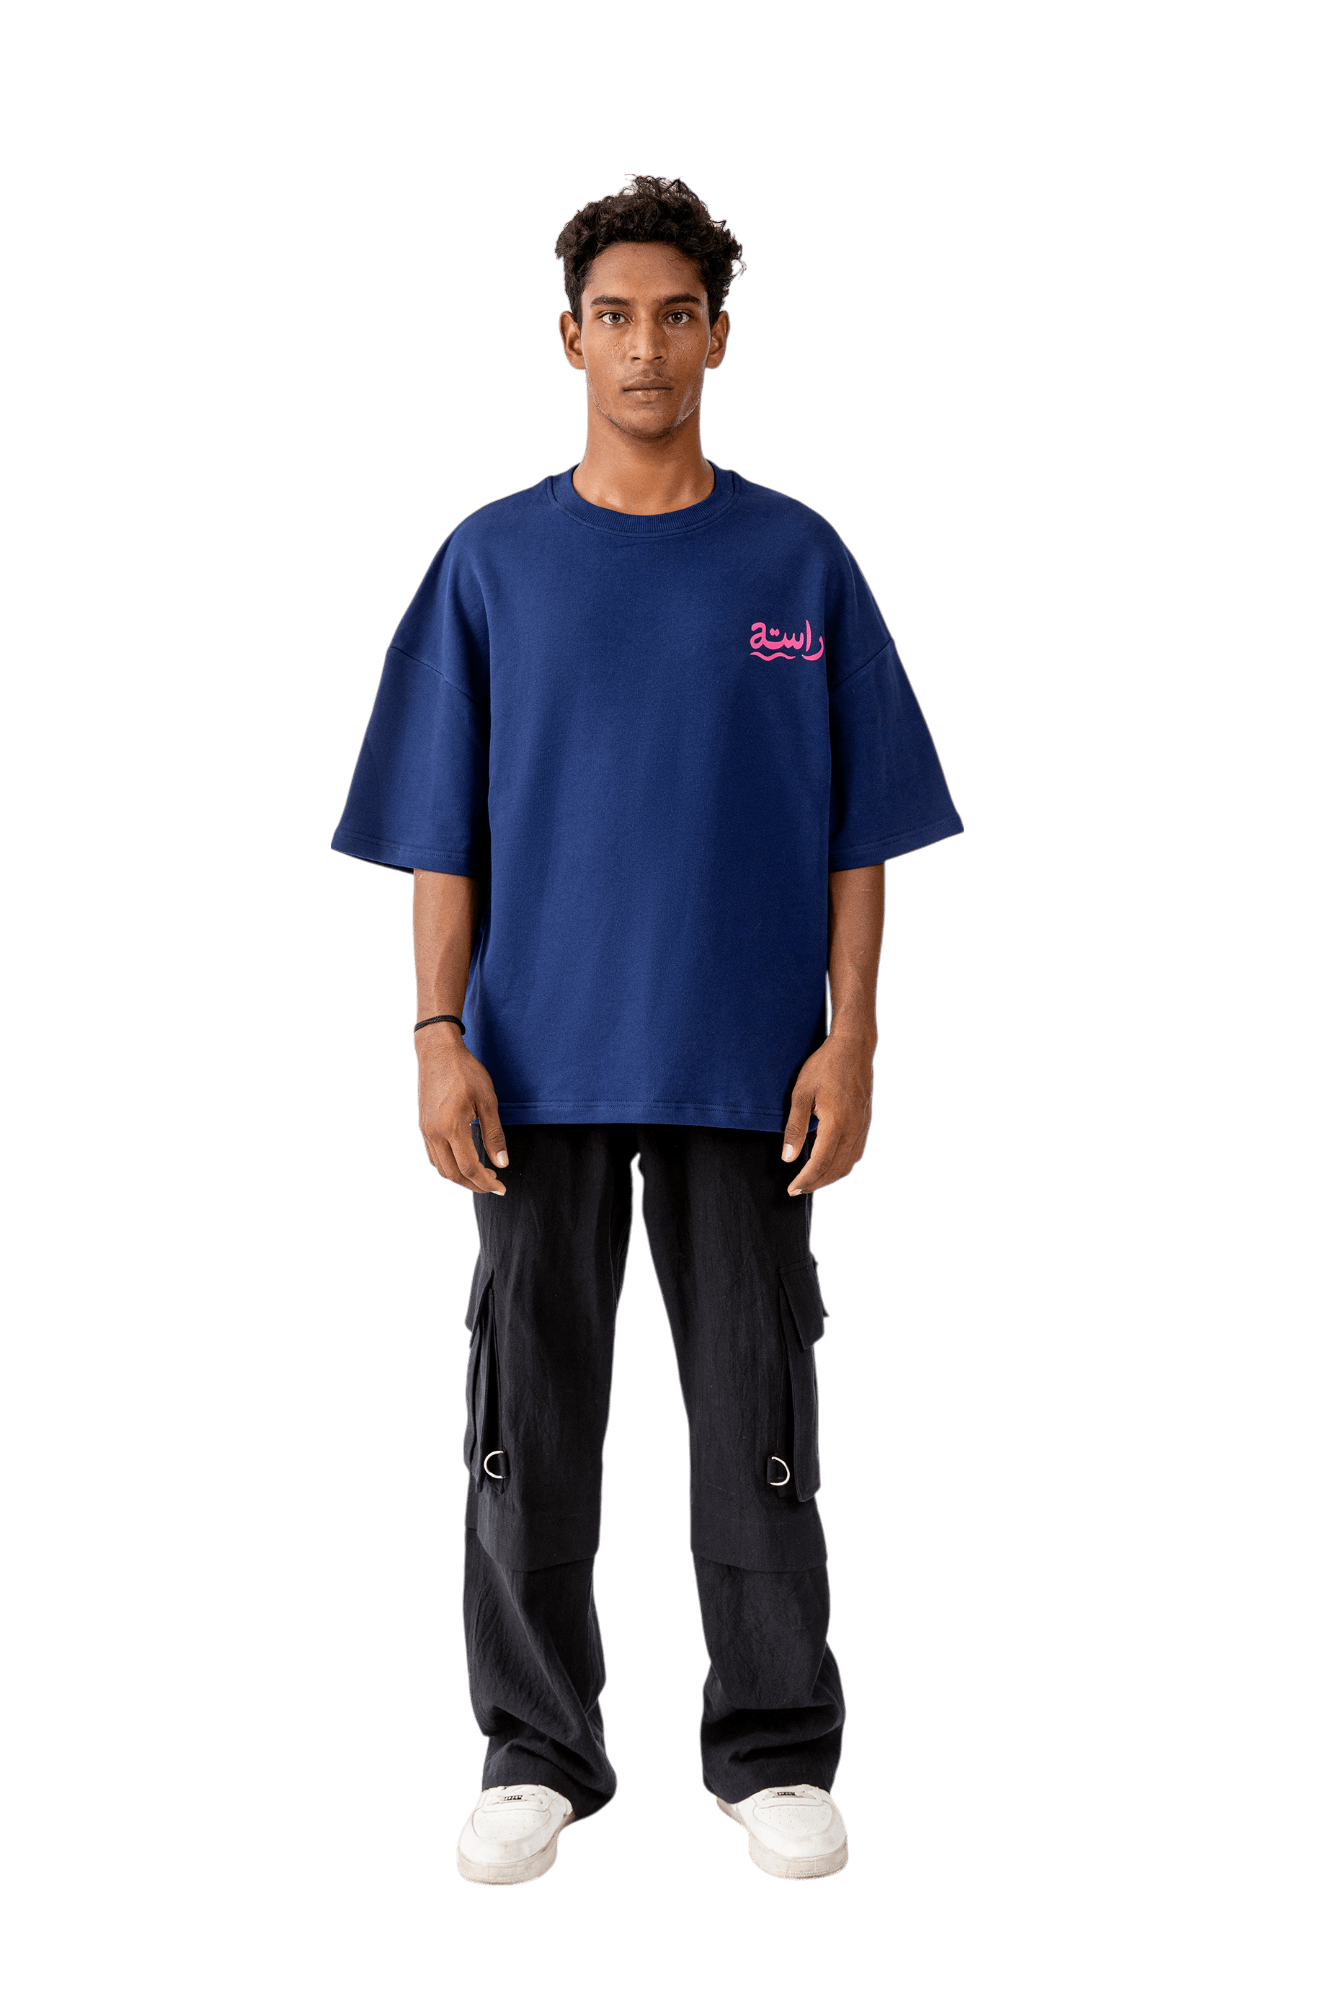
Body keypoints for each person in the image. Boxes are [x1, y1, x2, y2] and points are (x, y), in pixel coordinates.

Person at [330, 174, 963, 1887]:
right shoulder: (491, 562)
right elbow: (440, 830)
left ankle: (773, 1749)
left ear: (719, 340)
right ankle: (534, 1752)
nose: (645, 347)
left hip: (748, 1066)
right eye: (615, 315)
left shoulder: (798, 560)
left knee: (758, 1413)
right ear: (569, 339)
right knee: (527, 1417)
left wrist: (852, 1039)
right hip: (532, 1067)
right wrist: (437, 1033)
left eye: (677, 315)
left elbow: (861, 830)